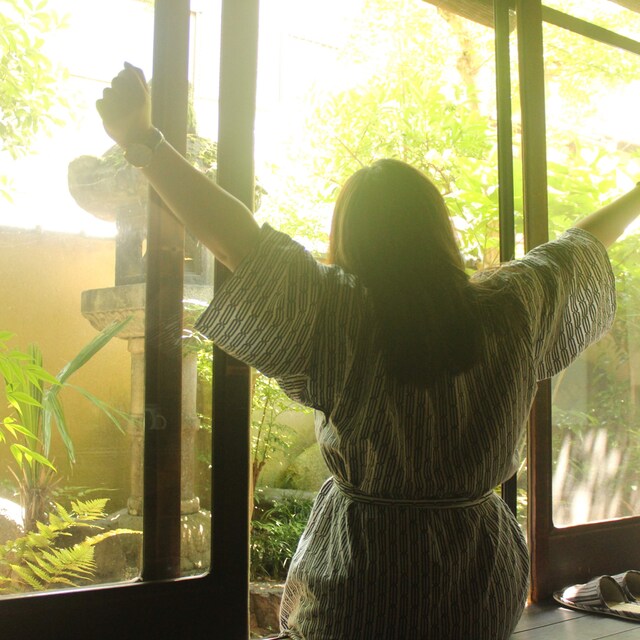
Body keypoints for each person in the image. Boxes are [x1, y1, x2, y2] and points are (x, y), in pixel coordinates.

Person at [97, 63, 639, 639]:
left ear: (351, 237)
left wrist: (144, 142)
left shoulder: (340, 313)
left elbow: (239, 242)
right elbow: (580, 245)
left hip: (364, 577)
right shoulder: (513, 306)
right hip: (481, 577)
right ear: (439, 230)